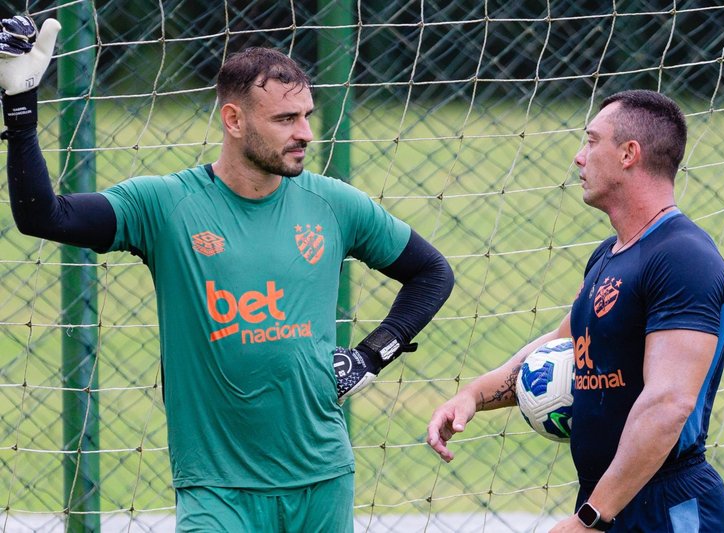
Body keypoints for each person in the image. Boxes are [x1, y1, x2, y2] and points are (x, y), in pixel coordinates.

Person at [0, 16, 454, 532]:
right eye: (286, 119)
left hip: (323, 478)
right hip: (216, 490)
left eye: (307, 116)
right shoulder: (164, 205)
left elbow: (432, 272)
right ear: (234, 120)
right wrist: (21, 107)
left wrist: (372, 355)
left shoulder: (334, 204)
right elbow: (43, 217)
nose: (305, 133)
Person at [427, 89, 724, 532]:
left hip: (665, 508)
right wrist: (472, 396)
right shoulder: (608, 255)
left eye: (591, 141)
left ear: (629, 154)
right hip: (607, 501)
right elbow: (563, 343)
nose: (579, 157)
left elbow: (669, 404)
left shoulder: (683, 258)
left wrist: (591, 517)